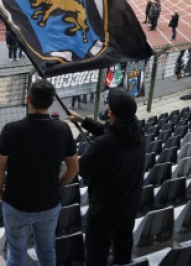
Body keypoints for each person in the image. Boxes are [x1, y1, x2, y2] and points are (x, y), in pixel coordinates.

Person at [0, 80, 79, 266]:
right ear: (51, 101)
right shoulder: (62, 129)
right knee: (47, 251)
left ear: (28, 99)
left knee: (16, 255)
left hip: (16, 205)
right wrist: (58, 185)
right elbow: (73, 168)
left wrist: (1, 194)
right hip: (49, 203)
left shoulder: (11, 129)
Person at [67, 90, 145, 266]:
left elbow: (83, 169)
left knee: (96, 253)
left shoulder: (103, 144)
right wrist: (83, 121)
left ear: (110, 113)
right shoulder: (137, 133)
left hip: (105, 210)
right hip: (130, 204)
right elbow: (109, 131)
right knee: (123, 249)